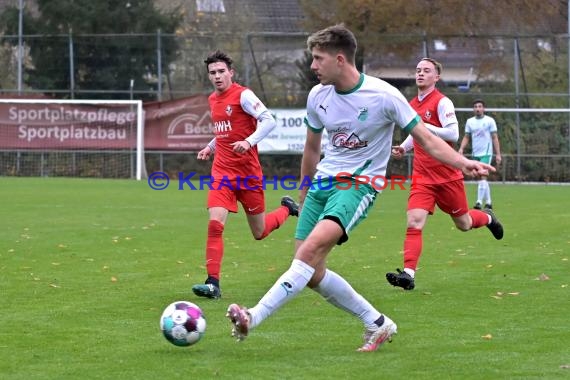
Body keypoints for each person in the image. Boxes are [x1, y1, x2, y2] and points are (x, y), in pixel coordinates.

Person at [226, 25, 496, 352]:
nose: (312, 66)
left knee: (308, 255)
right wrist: (304, 190)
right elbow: (312, 149)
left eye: (317, 59)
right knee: (310, 271)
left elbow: (427, 139)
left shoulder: (384, 96)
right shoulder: (318, 96)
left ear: (339, 60)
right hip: (321, 185)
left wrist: (463, 163)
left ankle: (252, 317)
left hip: (357, 186)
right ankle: (378, 323)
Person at [385, 58, 504, 291]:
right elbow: (414, 132)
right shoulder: (410, 103)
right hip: (422, 177)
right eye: (418, 70)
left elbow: (452, 133)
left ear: (436, 77)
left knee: (464, 224)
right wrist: (405, 147)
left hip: (448, 176)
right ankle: (408, 273)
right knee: (414, 222)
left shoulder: (442, 102)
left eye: (426, 71)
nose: (420, 74)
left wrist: (426, 127)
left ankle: (487, 217)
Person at [192, 50, 299, 299]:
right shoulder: (212, 99)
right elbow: (224, 133)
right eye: (212, 73)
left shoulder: (243, 95)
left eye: (221, 71)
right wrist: (211, 147)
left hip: (248, 174)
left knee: (259, 232)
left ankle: (286, 208)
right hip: (222, 173)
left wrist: (249, 142)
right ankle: (213, 284)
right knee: (215, 224)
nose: (217, 77)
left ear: (231, 72)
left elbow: (269, 120)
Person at [458, 99, 502, 209]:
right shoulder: (470, 122)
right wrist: (461, 148)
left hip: (486, 152)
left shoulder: (490, 121)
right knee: (482, 178)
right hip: (475, 153)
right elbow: (467, 136)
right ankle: (488, 202)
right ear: (473, 109)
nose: (478, 108)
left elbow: (495, 137)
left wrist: (498, 154)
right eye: (476, 107)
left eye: (480, 106)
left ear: (483, 108)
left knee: (482, 176)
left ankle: (478, 202)